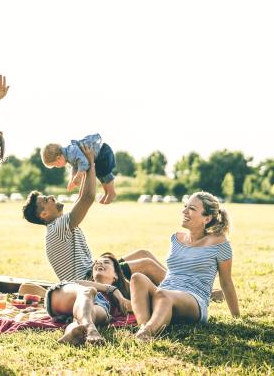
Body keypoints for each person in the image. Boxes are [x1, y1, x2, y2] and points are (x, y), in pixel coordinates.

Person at [22, 144, 167, 285]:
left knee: (144, 254)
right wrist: (91, 163)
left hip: (93, 273)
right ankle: (183, 296)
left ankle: (177, 287)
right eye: (47, 200)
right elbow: (88, 198)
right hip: (90, 282)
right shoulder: (57, 228)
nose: (52, 196)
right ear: (44, 214)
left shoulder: (59, 225)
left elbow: (81, 197)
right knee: (147, 265)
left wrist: (83, 167)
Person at [130, 191, 240, 342]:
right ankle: (146, 327)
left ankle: (148, 332)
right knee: (137, 278)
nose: (184, 211)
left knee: (163, 295)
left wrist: (236, 317)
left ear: (207, 218)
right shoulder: (175, 238)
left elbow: (226, 282)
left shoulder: (220, 243)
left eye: (192, 209)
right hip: (165, 291)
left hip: (194, 299)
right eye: (185, 206)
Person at [46, 253, 132, 345]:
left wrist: (121, 298)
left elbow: (138, 306)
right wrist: (110, 289)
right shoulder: (85, 284)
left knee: (92, 314)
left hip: (97, 307)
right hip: (64, 297)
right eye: (97, 262)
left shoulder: (116, 301)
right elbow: (75, 283)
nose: (99, 264)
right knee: (88, 291)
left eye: (106, 262)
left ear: (116, 275)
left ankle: (71, 334)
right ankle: (90, 327)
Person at [41, 133, 116, 204]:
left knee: (105, 173)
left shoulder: (71, 152)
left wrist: (79, 175)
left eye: (55, 165)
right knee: (100, 175)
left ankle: (111, 193)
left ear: (58, 158)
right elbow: (75, 167)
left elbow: (84, 162)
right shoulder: (69, 156)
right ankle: (107, 192)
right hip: (98, 156)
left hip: (103, 152)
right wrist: (73, 178)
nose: (57, 167)